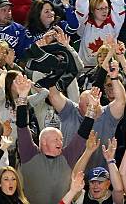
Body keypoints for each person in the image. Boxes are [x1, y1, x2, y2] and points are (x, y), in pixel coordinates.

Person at [15, 74, 95, 204]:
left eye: (61, 139)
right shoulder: (29, 154)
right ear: (43, 141)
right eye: (56, 139)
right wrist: (23, 96)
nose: (61, 142)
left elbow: (82, 135)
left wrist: (92, 108)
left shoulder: (67, 156)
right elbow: (22, 127)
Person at [75, 0, 125, 67]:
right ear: (92, 11)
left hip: (109, 70)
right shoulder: (84, 24)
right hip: (86, 71)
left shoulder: (114, 23)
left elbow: (119, 2)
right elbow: (81, 1)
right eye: (100, 8)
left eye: (106, 8)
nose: (104, 11)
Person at [0, 136, 30, 203]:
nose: (10, 182)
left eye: (13, 179)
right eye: (6, 179)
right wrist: (3, 148)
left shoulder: (21, 201)